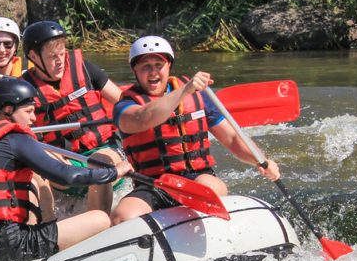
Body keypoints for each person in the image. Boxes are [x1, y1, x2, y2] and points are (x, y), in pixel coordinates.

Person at [0, 77, 132, 261]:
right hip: (13, 246)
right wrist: (114, 173)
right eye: (28, 111)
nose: (33, 118)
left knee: (33, 187)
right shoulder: (15, 138)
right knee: (101, 219)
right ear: (7, 110)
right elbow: (66, 175)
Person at [111, 35, 281, 225]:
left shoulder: (199, 97)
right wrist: (185, 89)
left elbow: (232, 138)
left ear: (169, 66)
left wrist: (261, 160)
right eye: (145, 66)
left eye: (159, 64)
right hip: (153, 183)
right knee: (122, 216)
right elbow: (144, 119)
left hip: (195, 178)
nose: (153, 72)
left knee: (213, 187)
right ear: (135, 69)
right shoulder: (125, 106)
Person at [19, 20, 128, 214]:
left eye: (62, 53)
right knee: (38, 166)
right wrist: (44, 154)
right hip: (67, 162)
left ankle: (98, 224)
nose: (60, 60)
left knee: (98, 163)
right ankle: (47, 227)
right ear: (34, 56)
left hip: (106, 150)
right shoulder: (25, 89)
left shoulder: (86, 70)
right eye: (53, 56)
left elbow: (125, 105)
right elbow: (19, 133)